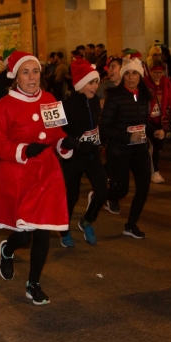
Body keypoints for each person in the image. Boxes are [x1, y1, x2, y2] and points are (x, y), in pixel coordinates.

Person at [0, 50, 70, 305]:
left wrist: (66, 142)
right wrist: (22, 149)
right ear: (16, 77)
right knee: (25, 234)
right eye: (26, 72)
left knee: (43, 230)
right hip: (19, 173)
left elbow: (56, 134)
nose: (32, 77)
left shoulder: (50, 99)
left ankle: (33, 284)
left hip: (47, 174)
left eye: (35, 71)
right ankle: (8, 249)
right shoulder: (5, 105)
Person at [100, 57, 161, 239]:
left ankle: (131, 225)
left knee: (144, 188)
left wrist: (154, 132)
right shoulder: (114, 97)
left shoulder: (143, 97)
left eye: (135, 73)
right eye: (127, 73)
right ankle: (101, 195)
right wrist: (127, 136)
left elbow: (142, 123)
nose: (131, 77)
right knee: (122, 190)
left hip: (139, 149)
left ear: (140, 76)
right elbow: (104, 127)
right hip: (119, 150)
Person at [58, 58, 107, 248]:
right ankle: (64, 230)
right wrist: (77, 144)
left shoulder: (95, 101)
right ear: (80, 84)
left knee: (102, 192)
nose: (95, 86)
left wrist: (98, 139)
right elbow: (59, 134)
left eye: (96, 82)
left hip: (93, 155)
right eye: (91, 82)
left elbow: (95, 125)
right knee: (72, 196)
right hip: (74, 157)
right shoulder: (66, 105)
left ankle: (86, 221)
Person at [144, 60, 171, 183]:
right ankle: (151, 171)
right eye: (155, 72)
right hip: (146, 119)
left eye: (160, 72)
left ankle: (155, 171)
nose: (158, 74)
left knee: (156, 147)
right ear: (151, 71)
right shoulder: (144, 83)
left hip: (159, 119)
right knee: (149, 147)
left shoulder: (166, 83)